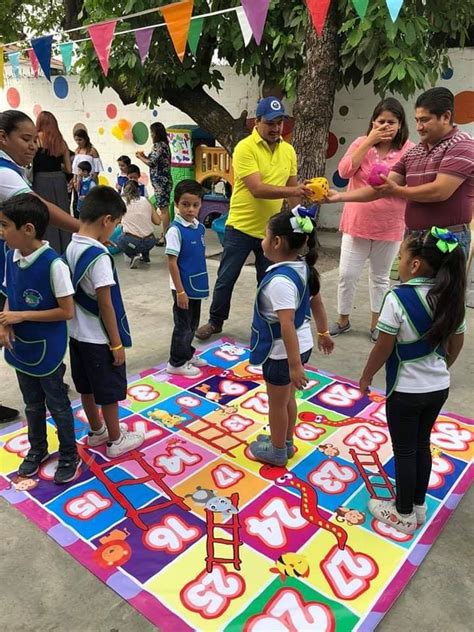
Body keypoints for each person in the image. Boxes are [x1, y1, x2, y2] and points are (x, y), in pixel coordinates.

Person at [359, 227, 466, 534]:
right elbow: (456, 343)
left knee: (404, 450)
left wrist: (367, 374)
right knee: (421, 444)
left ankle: (403, 513)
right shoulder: (451, 297)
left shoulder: (398, 298)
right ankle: (418, 504)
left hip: (405, 391)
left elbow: (384, 346)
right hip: (438, 388)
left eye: (402, 256)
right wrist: (442, 366)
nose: (400, 262)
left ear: (415, 264)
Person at [196, 97, 313, 341]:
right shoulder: (245, 148)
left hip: (271, 232)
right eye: (270, 123)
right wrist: (294, 191)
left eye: (280, 122)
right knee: (226, 278)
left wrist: (301, 220)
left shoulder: (288, 150)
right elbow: (257, 189)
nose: (276, 128)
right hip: (239, 226)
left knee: (269, 281)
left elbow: (292, 189)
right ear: (256, 123)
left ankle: (265, 323)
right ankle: (215, 321)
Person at [325, 88, 473, 260]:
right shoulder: (414, 152)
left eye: (425, 120)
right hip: (414, 239)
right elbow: (380, 188)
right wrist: (339, 197)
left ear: (446, 117)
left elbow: (439, 191)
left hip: (447, 240)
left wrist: (396, 190)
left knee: (441, 287)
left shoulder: (462, 145)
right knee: (409, 288)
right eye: (417, 120)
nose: (419, 127)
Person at [0, 110, 79, 424]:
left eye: (35, 139)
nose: (33, 146)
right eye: (25, 139)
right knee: (15, 321)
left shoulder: (14, 169)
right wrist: (81, 227)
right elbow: (38, 205)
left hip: (13, 258)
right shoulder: (5, 172)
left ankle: (49, 377)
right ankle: (46, 380)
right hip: (10, 259)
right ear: (3, 137)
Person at [0, 194, 80, 483]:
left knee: (57, 404)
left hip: (47, 348)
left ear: (28, 229)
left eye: (4, 225)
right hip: (21, 347)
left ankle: (70, 453)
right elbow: (10, 295)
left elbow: (66, 311)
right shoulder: (11, 256)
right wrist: (5, 324)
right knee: (31, 403)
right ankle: (38, 448)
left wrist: (21, 317)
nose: (1, 231)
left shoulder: (53, 264)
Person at [247, 207, 334, 467]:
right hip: (301, 345)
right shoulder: (302, 267)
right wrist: (323, 332)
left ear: (276, 242)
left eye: (265, 236)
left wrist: (294, 366)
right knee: (287, 399)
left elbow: (286, 326)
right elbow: (317, 302)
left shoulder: (280, 282)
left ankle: (276, 451)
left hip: (283, 352)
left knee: (277, 403)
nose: (262, 241)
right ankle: (285, 442)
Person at [64, 186, 144, 457]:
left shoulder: (72, 246)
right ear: (106, 220)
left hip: (76, 336)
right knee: (108, 391)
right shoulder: (98, 257)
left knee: (85, 387)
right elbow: (106, 304)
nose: (114, 232)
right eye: (116, 225)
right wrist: (117, 343)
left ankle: (97, 431)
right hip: (99, 339)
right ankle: (115, 439)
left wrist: (100, 242)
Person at [329, 98, 415, 342]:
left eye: (391, 122)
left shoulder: (409, 150)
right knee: (347, 274)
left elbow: (411, 183)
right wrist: (368, 141)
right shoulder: (360, 143)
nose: (386, 126)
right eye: (380, 122)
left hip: (390, 224)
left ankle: (376, 323)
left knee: (380, 277)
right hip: (357, 222)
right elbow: (345, 171)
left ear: (400, 124)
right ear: (372, 122)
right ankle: (343, 320)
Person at [165, 180, 209, 377]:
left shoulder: (199, 227)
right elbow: (172, 262)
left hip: (196, 283)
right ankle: (176, 362)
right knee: (182, 326)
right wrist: (180, 291)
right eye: (185, 204)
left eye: (195, 205)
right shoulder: (175, 231)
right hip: (182, 287)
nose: (190, 209)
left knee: (192, 323)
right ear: (176, 204)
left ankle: (187, 353)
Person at [33, 111, 73, 254]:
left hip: (41, 181)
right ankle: (66, 249)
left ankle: (47, 249)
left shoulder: (36, 139)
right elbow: (69, 169)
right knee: (62, 213)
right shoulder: (62, 142)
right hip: (59, 181)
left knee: (44, 213)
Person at [136, 122, 172, 245]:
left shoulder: (158, 145)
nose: (151, 135)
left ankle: (165, 236)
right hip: (164, 180)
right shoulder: (164, 145)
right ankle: (165, 234)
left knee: (163, 210)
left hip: (161, 182)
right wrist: (145, 156)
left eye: (152, 132)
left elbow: (151, 163)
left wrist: (140, 157)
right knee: (164, 208)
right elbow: (154, 161)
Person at [116, 180, 161, 269]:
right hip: (150, 242)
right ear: (138, 190)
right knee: (143, 232)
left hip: (132, 243)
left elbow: (116, 221)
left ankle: (133, 255)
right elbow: (158, 221)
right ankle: (145, 255)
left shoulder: (121, 203)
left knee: (119, 239)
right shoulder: (146, 200)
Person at [72, 128, 103, 219]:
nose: (78, 142)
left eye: (80, 140)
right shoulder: (77, 151)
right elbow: (75, 168)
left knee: (90, 199)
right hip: (79, 179)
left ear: (85, 139)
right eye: (76, 140)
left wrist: (93, 178)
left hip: (89, 178)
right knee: (77, 199)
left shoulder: (92, 151)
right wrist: (75, 179)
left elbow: (97, 167)